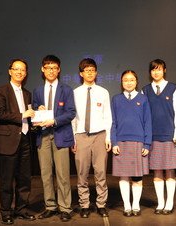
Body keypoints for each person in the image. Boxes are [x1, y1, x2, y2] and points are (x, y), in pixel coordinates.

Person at [32, 54, 75, 222]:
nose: (51, 71)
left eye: (54, 68)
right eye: (48, 68)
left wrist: (54, 120)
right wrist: (38, 110)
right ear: (43, 69)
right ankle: (50, 206)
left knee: (63, 174)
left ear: (59, 70)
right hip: (42, 136)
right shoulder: (37, 90)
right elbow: (33, 112)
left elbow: (71, 113)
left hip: (60, 135)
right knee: (45, 174)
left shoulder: (66, 90)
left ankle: (65, 207)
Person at [0, 58, 36, 225]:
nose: (20, 72)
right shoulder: (1, 91)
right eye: (16, 69)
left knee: (24, 179)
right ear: (10, 71)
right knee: (7, 180)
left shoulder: (27, 93)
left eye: (23, 70)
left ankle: (21, 209)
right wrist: (22, 115)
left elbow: (29, 118)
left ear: (26, 73)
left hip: (25, 139)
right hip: (8, 141)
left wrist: (36, 114)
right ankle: (6, 211)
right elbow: (0, 114)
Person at [141, 58, 176, 215]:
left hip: (169, 136)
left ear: (164, 70)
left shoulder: (173, 88)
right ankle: (160, 203)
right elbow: (143, 116)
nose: (156, 72)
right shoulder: (145, 90)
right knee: (157, 171)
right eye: (153, 69)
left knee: (170, 171)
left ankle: (169, 203)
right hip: (152, 137)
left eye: (159, 69)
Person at [72, 58, 112, 218]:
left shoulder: (103, 92)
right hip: (81, 136)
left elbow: (107, 116)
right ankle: (84, 205)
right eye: (86, 70)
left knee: (101, 172)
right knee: (82, 173)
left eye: (92, 70)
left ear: (96, 72)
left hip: (100, 135)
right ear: (81, 74)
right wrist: (73, 138)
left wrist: (108, 137)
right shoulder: (75, 93)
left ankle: (101, 204)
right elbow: (72, 118)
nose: (90, 73)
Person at [111, 70, 152, 217]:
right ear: (121, 83)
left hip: (138, 142)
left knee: (137, 177)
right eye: (125, 80)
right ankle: (127, 206)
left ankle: (135, 205)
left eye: (131, 80)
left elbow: (148, 122)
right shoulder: (116, 99)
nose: (128, 82)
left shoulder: (144, 99)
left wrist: (147, 144)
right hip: (121, 142)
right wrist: (114, 142)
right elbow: (113, 122)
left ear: (136, 82)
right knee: (123, 176)